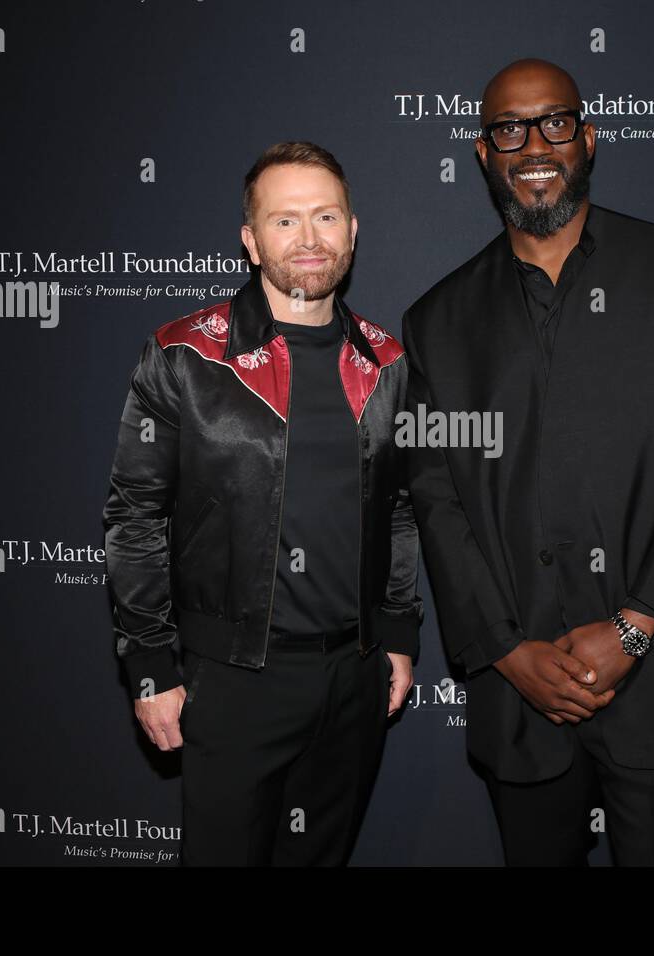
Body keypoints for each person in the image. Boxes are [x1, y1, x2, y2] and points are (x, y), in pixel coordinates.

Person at [401, 59, 654, 865]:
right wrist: (504, 650)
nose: (533, 144)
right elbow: (437, 499)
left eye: (554, 122)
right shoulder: (437, 321)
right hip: (518, 703)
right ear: (483, 153)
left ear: (588, 138)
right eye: (509, 129)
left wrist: (633, 631)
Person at [102, 142, 422, 866]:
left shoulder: (388, 363)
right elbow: (134, 519)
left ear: (353, 229)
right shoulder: (185, 355)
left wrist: (398, 634)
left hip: (354, 677)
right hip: (235, 681)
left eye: (325, 216)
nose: (308, 239)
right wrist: (151, 665)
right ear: (250, 241)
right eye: (284, 221)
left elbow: (399, 509)